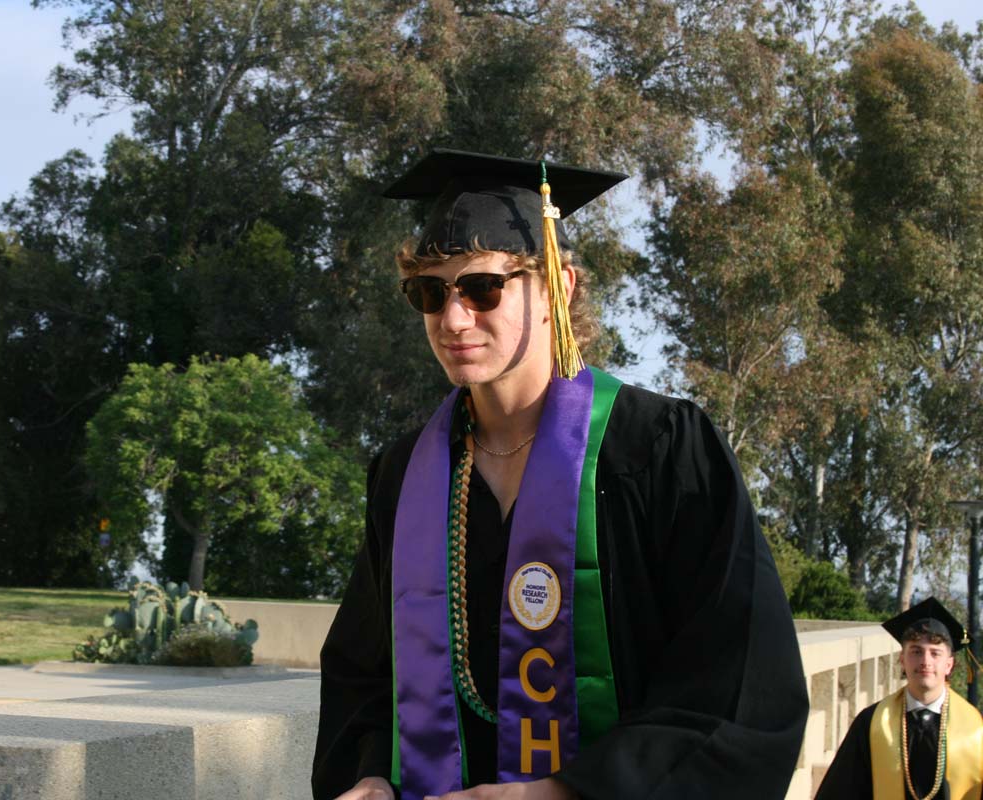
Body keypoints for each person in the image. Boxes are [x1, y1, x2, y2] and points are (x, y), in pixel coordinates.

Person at [312, 149, 809, 800]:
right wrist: (371, 774)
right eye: (430, 292)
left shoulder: (659, 450)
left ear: (557, 287)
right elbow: (366, 677)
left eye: (482, 287)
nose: (453, 318)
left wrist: (561, 792)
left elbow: (740, 683)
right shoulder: (406, 477)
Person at [814, 597, 983, 800]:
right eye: (916, 652)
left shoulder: (976, 729)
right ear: (902, 659)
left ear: (949, 665)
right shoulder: (871, 723)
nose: (925, 661)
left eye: (935, 653)